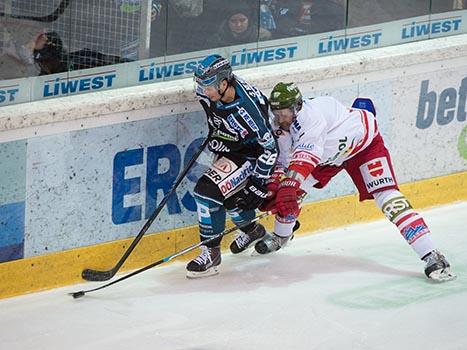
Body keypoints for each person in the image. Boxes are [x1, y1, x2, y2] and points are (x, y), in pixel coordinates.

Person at [254, 82, 456, 283]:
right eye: (277, 112)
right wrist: (274, 185)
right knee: (289, 193)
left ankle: (431, 255)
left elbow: (306, 155)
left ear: (297, 107)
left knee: (389, 201)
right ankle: (281, 236)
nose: (281, 118)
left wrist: (288, 185)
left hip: (363, 148)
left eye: (285, 113)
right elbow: (282, 160)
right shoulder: (278, 125)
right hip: (329, 158)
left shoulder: (312, 116)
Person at [186, 54, 278, 278]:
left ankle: (211, 252)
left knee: (206, 193)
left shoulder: (248, 111)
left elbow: (270, 149)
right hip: (230, 149)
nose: (203, 91)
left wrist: (257, 183)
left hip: (250, 155)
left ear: (224, 83)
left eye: (208, 87)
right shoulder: (215, 89)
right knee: (228, 199)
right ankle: (252, 230)